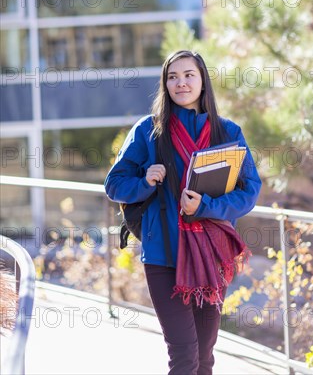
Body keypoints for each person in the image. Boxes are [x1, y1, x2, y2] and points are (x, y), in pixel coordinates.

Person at [105, 50, 262, 375]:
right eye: (172, 76)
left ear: (203, 80)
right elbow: (114, 185)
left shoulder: (228, 132)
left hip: (211, 259)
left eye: (189, 74)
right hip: (163, 258)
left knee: (204, 356)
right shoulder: (149, 130)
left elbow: (250, 191)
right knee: (184, 354)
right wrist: (146, 180)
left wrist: (205, 207)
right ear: (165, 84)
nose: (181, 82)